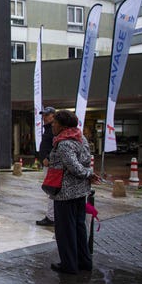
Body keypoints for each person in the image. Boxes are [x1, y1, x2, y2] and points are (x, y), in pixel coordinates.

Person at [47, 110, 99, 274]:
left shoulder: (64, 143)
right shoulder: (80, 137)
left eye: (54, 122)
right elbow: (85, 162)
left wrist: (88, 174)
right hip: (80, 192)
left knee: (65, 230)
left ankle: (69, 265)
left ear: (62, 126)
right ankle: (84, 261)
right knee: (79, 227)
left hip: (65, 194)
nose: (52, 125)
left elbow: (74, 166)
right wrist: (88, 174)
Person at [36, 106, 56, 226]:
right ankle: (51, 215)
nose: (44, 118)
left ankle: (51, 217)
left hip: (51, 165)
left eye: (47, 115)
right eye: (43, 115)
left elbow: (57, 145)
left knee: (51, 191)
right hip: (48, 165)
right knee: (50, 191)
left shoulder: (54, 129)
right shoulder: (48, 129)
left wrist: (48, 158)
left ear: (53, 115)